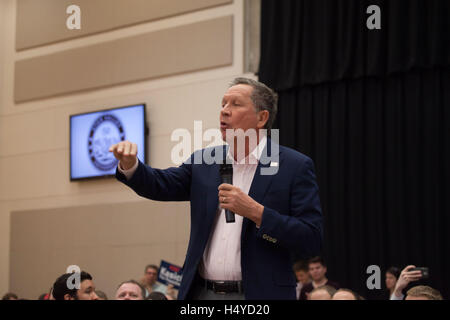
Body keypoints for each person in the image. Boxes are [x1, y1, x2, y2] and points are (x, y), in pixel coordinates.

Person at [110, 77, 323, 300]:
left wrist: (257, 213)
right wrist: (130, 165)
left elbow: (311, 238)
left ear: (262, 118)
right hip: (202, 293)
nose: (224, 111)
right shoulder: (204, 162)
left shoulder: (293, 166)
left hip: (259, 295)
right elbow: (160, 184)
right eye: (223, 104)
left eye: (235, 104)